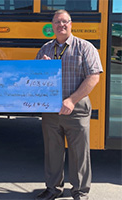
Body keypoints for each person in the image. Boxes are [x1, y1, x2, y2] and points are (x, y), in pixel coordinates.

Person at [35, 10, 103, 200]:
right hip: (50, 110)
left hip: (77, 109)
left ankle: (80, 192)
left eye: (64, 22)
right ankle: (53, 189)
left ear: (71, 24)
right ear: (52, 26)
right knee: (52, 151)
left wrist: (71, 100)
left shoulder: (85, 47)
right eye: (57, 22)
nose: (61, 25)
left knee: (79, 154)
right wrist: (41, 67)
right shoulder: (45, 49)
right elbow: (33, 78)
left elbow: (94, 77)